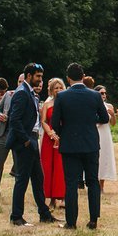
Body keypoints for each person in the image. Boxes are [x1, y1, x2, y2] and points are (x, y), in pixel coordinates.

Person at [53, 64, 109, 229]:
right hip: (91, 143)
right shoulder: (94, 96)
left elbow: (55, 123)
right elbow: (105, 118)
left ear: (68, 78)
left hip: (70, 145)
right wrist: (90, 120)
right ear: (83, 76)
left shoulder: (62, 96)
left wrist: (67, 131)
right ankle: (93, 220)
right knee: (92, 182)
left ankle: (71, 222)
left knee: (70, 183)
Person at [5, 64, 55, 227]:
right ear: (28, 76)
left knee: (38, 178)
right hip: (24, 141)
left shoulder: (30, 93)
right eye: (38, 76)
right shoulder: (21, 93)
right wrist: (26, 140)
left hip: (32, 139)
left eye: (41, 76)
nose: (40, 80)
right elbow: (14, 120)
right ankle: (16, 216)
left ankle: (44, 214)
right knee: (22, 179)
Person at [41, 78, 68, 213]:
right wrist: (51, 133)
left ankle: (63, 197)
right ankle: (51, 197)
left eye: (60, 87)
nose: (58, 90)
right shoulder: (47, 104)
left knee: (61, 167)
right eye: (55, 88)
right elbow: (44, 121)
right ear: (51, 90)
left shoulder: (67, 103)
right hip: (49, 138)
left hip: (63, 137)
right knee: (48, 167)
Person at [95, 84, 118, 194]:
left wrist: (113, 115)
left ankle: (102, 184)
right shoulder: (92, 105)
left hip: (105, 134)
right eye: (101, 93)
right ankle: (93, 183)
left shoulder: (109, 106)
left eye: (104, 93)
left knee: (104, 157)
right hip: (96, 132)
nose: (104, 95)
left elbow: (113, 124)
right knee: (96, 157)